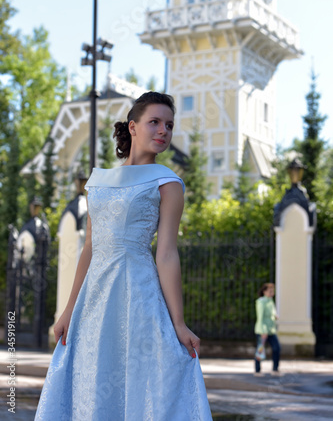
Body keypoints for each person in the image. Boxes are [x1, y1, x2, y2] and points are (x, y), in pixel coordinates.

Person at [34, 91, 212, 420]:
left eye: (169, 125)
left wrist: (179, 322)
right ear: (133, 127)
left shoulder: (168, 183)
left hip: (139, 296)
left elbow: (167, 253)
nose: (163, 131)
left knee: (140, 379)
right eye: (154, 122)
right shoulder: (98, 180)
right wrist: (67, 311)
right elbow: (89, 247)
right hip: (94, 299)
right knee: (93, 377)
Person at [254, 282, 280, 376]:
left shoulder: (270, 301)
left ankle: (275, 369)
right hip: (263, 330)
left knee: (276, 348)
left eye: (272, 291)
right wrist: (263, 331)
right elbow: (260, 317)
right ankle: (257, 370)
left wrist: (275, 316)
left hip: (271, 330)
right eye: (270, 291)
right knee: (260, 350)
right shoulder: (261, 302)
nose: (272, 293)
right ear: (264, 291)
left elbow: (271, 312)